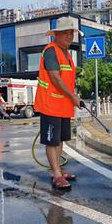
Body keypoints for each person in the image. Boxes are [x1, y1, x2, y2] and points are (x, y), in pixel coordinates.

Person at [34, 16, 82, 189]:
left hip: (62, 106)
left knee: (60, 140)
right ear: (57, 35)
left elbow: (67, 80)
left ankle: (59, 171)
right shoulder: (51, 51)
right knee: (51, 141)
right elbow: (55, 78)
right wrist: (73, 97)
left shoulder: (66, 54)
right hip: (50, 105)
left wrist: (74, 96)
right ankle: (55, 175)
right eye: (66, 33)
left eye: (72, 33)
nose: (70, 36)